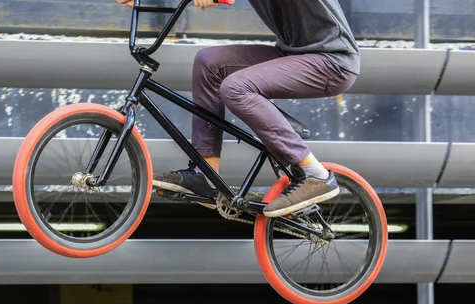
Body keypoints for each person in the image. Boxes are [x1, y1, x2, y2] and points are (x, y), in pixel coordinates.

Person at [116, 0, 360, 218]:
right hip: (292, 53)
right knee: (209, 63)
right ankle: (206, 172)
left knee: (236, 87)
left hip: (332, 60)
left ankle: (314, 173)